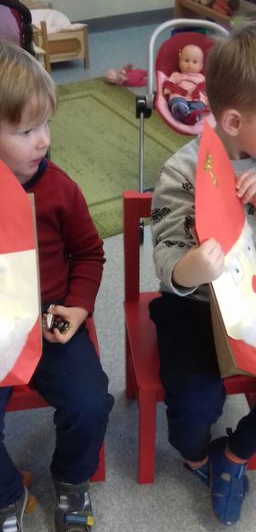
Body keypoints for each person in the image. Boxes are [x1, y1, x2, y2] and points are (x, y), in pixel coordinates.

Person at [149, 21, 256, 525]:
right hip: (191, 308)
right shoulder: (183, 170)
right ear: (232, 121)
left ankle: (233, 454)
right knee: (193, 408)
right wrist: (192, 267)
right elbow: (164, 253)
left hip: (254, 302)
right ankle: (196, 457)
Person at [0, 41, 114, 532]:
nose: (43, 140)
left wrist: (78, 307)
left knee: (91, 402)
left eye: (46, 124)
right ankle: (8, 494)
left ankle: (71, 479)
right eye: (27, 130)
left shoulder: (60, 188)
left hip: (50, 313)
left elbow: (89, 253)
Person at [163, 43, 208, 125]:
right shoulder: (177, 75)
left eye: (194, 62)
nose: (190, 65)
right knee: (176, 100)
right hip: (180, 96)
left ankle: (193, 115)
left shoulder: (202, 78)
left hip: (197, 99)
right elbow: (169, 83)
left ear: (201, 66)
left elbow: (207, 88)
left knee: (200, 105)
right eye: (186, 61)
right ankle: (179, 109)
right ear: (180, 62)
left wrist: (208, 98)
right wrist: (168, 88)